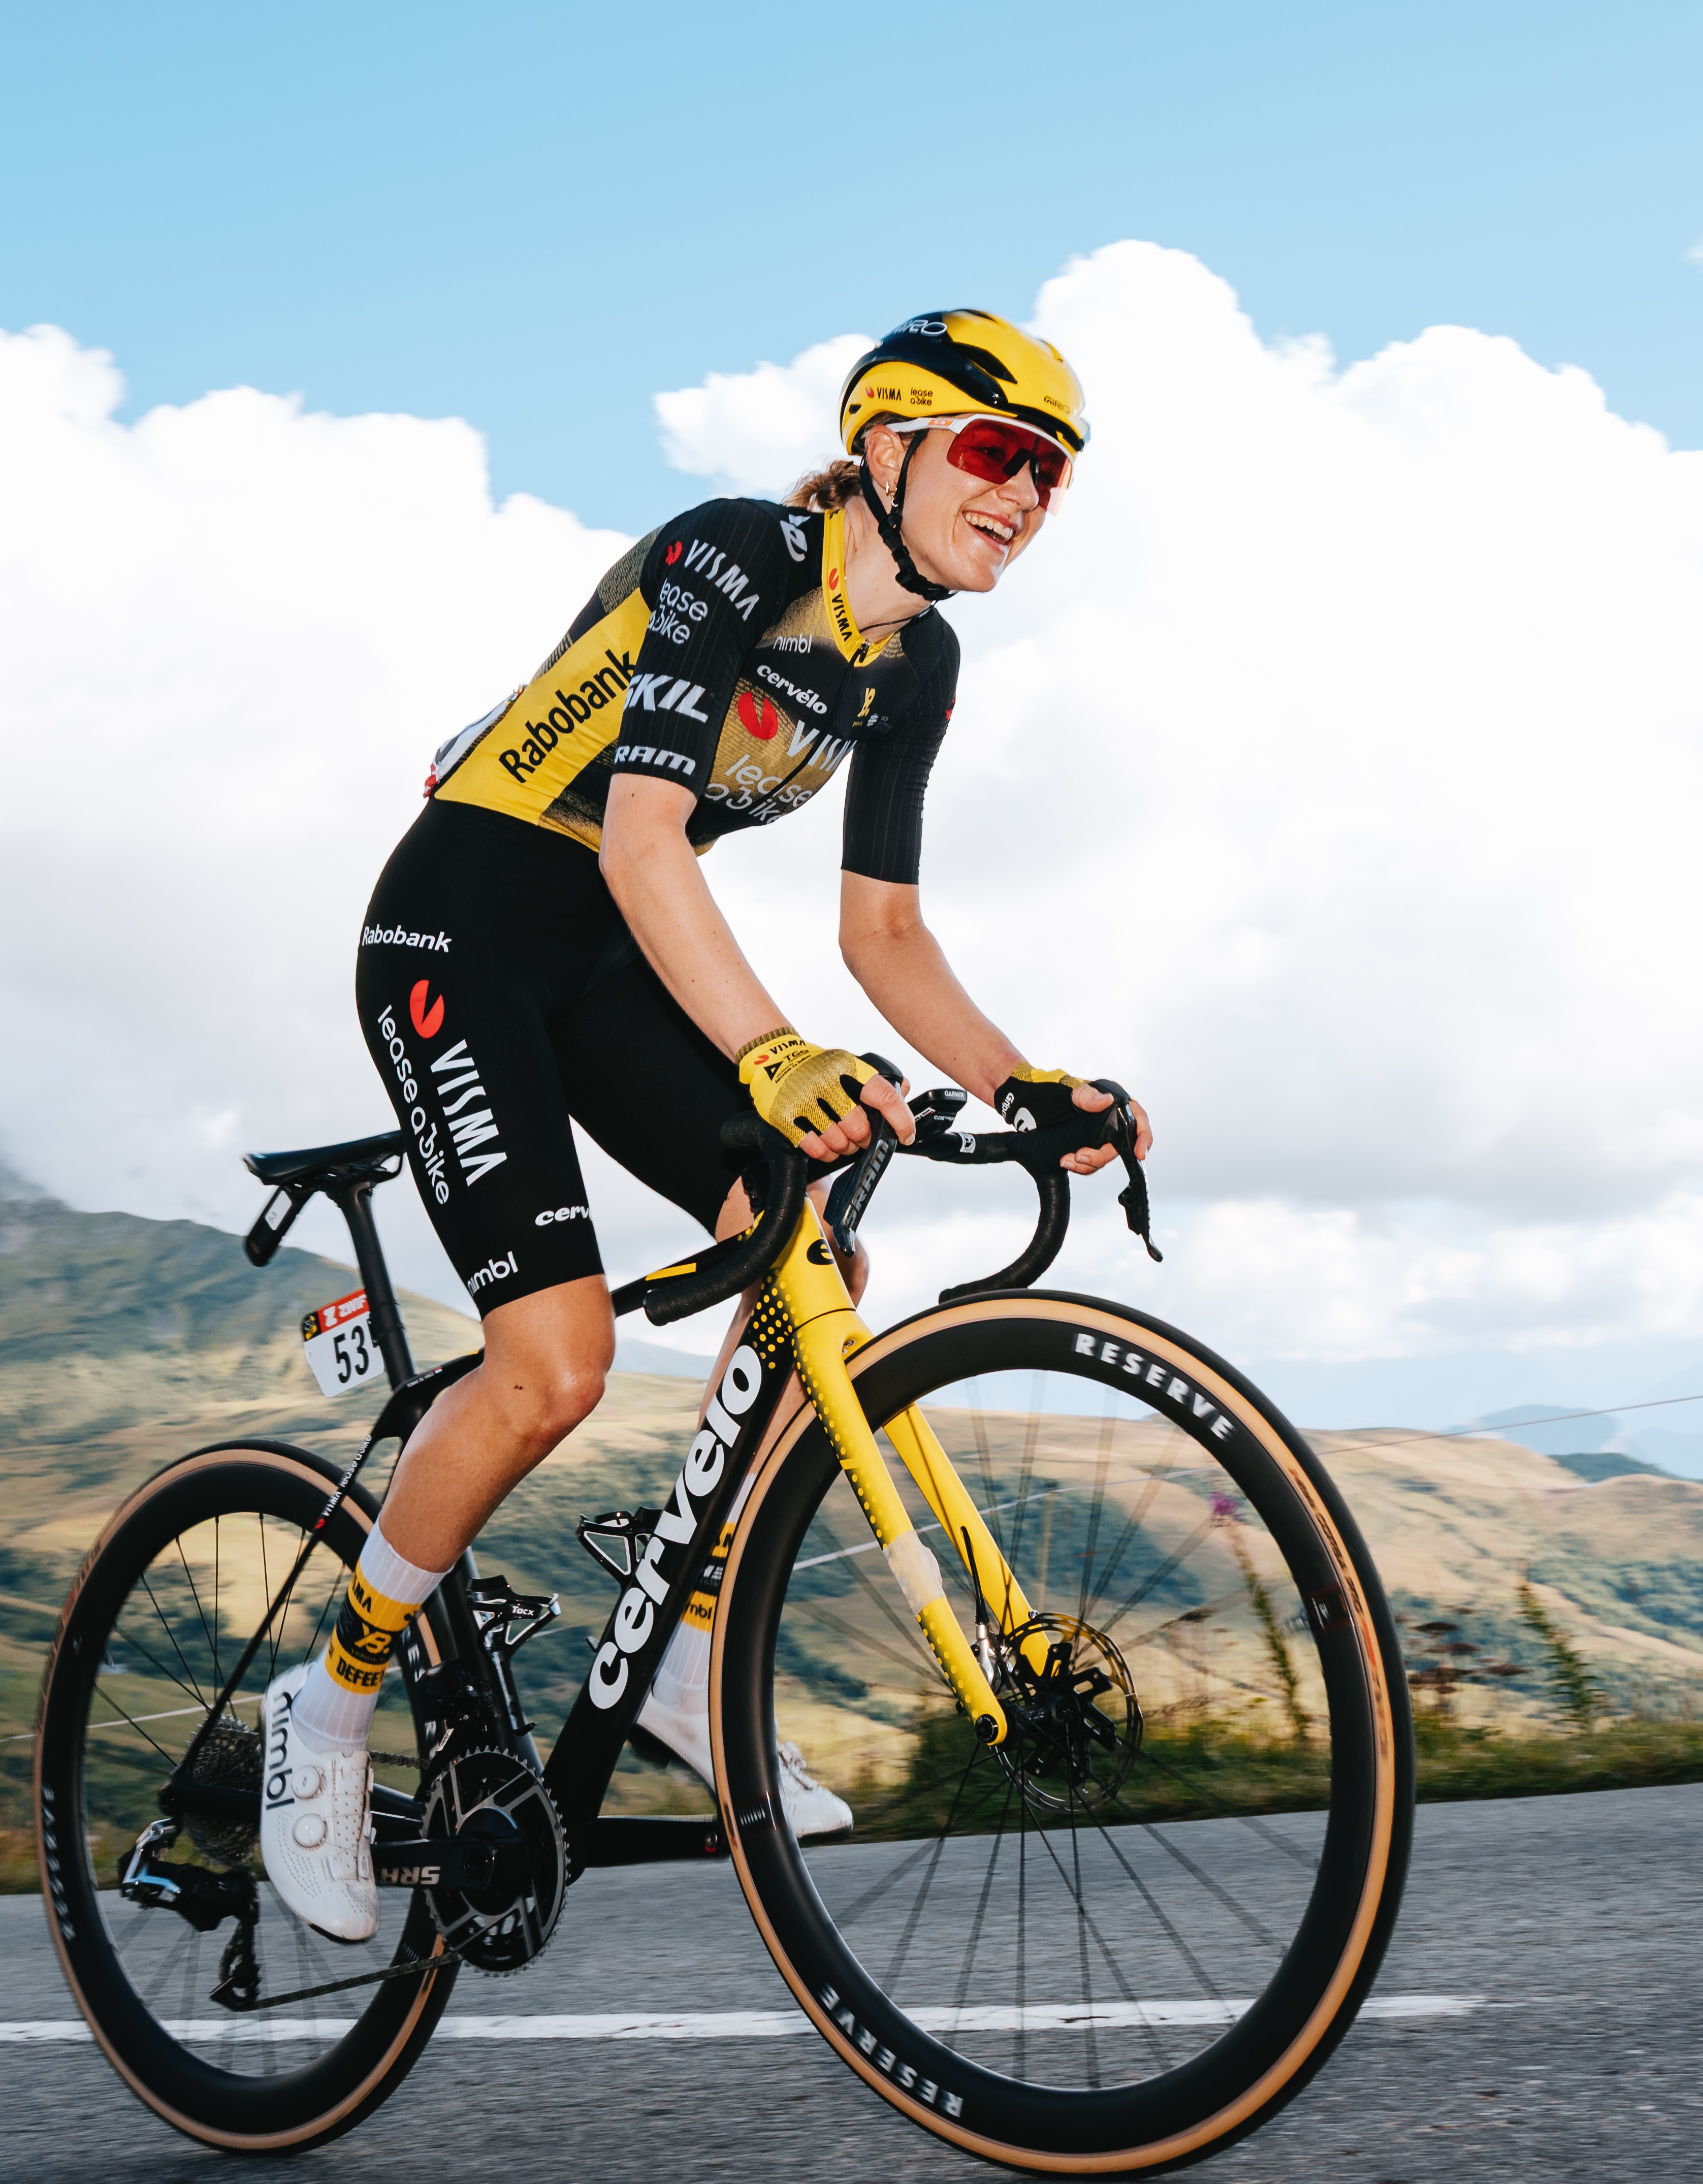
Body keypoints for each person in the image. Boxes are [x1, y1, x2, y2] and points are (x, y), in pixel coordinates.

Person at [258, 311, 1148, 1942]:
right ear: (885, 445)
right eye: (993, 452)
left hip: (612, 958)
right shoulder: (733, 560)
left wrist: (1024, 1082)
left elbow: (883, 934)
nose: (1023, 492)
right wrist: (770, 1054)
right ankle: (320, 1709)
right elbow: (644, 839)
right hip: (465, 924)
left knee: (808, 1250)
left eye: (1052, 474)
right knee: (558, 1362)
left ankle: (680, 1644)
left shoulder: (915, 663)